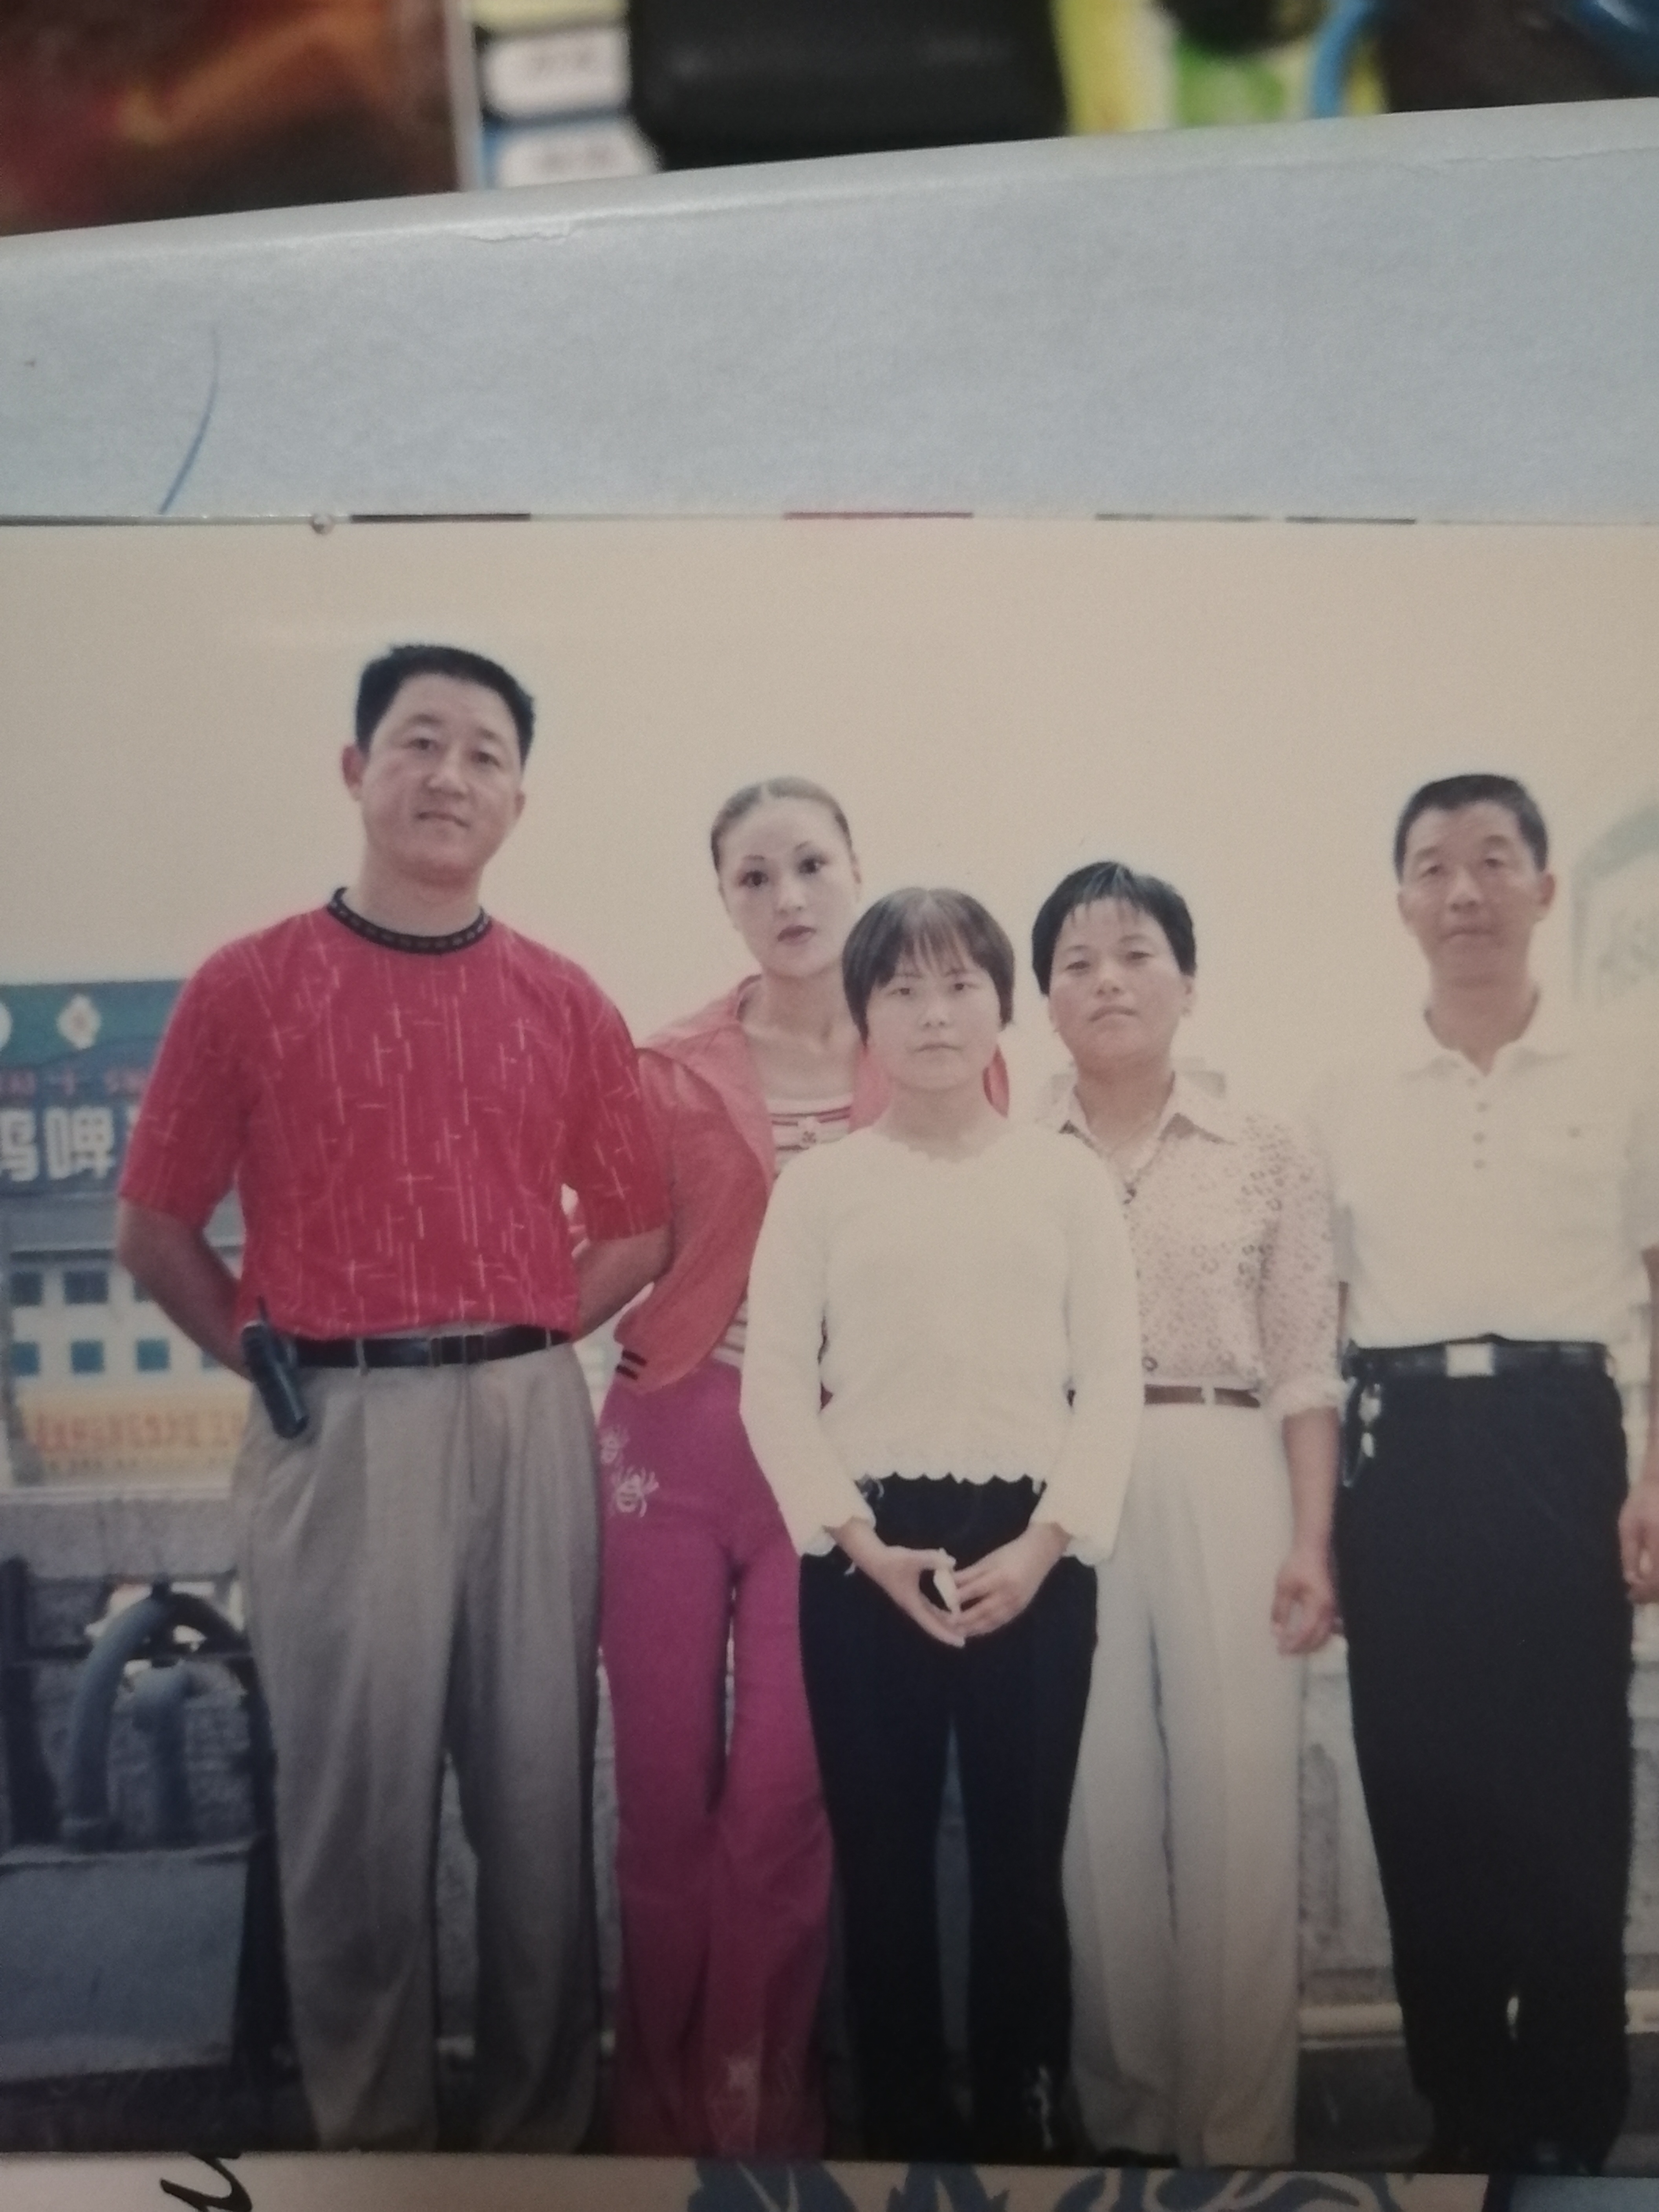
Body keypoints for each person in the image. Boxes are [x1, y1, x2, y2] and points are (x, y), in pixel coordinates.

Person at [114, 643, 670, 2152]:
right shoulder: (248, 984)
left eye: (486, 754)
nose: (450, 775)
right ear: (357, 770)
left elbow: (637, 1223)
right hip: (337, 1427)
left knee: (540, 1806)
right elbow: (155, 1226)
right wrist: (266, 1354)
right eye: (419, 741)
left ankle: (538, 2146)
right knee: (354, 1818)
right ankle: (376, 2151)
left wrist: (524, 1337)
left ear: (518, 803)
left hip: (527, 1423)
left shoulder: (565, 998)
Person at [740, 887, 1143, 2163]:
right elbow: (771, 1385)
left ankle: (1025, 2118)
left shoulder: (1065, 1178)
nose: (933, 1013)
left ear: (999, 1006)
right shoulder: (821, 1188)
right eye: (902, 988)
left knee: (1024, 1856)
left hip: (1033, 1542)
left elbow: (1112, 1379)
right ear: (864, 1015)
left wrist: (1046, 1545)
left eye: (960, 983)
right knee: (883, 1857)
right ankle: (903, 2124)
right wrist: (860, 1546)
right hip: (868, 1551)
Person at [1308, 773, 1659, 2174]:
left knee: (1575, 1790)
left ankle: (1573, 2120)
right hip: (1402, 1451)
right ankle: (1464, 2111)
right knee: (1419, 1788)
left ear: (1544, 888)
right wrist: (1315, 1531)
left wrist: (1653, 1476)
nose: (1465, 891)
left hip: (1567, 1438)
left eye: (1495, 860)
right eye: (1435, 867)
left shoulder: (1626, 1076)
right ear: (1401, 900)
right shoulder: (1345, 1095)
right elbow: (1316, 1326)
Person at [1033, 860, 1342, 2168]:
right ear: (1045, 998)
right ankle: (1130, 2118)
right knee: (1094, 1802)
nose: (1108, 980)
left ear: (1189, 982)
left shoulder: (1265, 1146)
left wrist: (1312, 1541)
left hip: (1226, 1452)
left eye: (1136, 953)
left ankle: (1242, 2135)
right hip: (1065, 1482)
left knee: (1240, 1796)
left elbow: (1307, 1359)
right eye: (1077, 962)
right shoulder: (1011, 1151)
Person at [595, 776, 859, 2158]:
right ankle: (656, 2109)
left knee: (781, 1796)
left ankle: (759, 2102)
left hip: (837, 1458)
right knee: (660, 1790)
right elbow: (621, 1247)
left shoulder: (932, 1045)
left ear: (856, 872)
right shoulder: (668, 1062)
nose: (789, 897)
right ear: (725, 901)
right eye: (755, 877)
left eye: (811, 864)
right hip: (675, 1440)